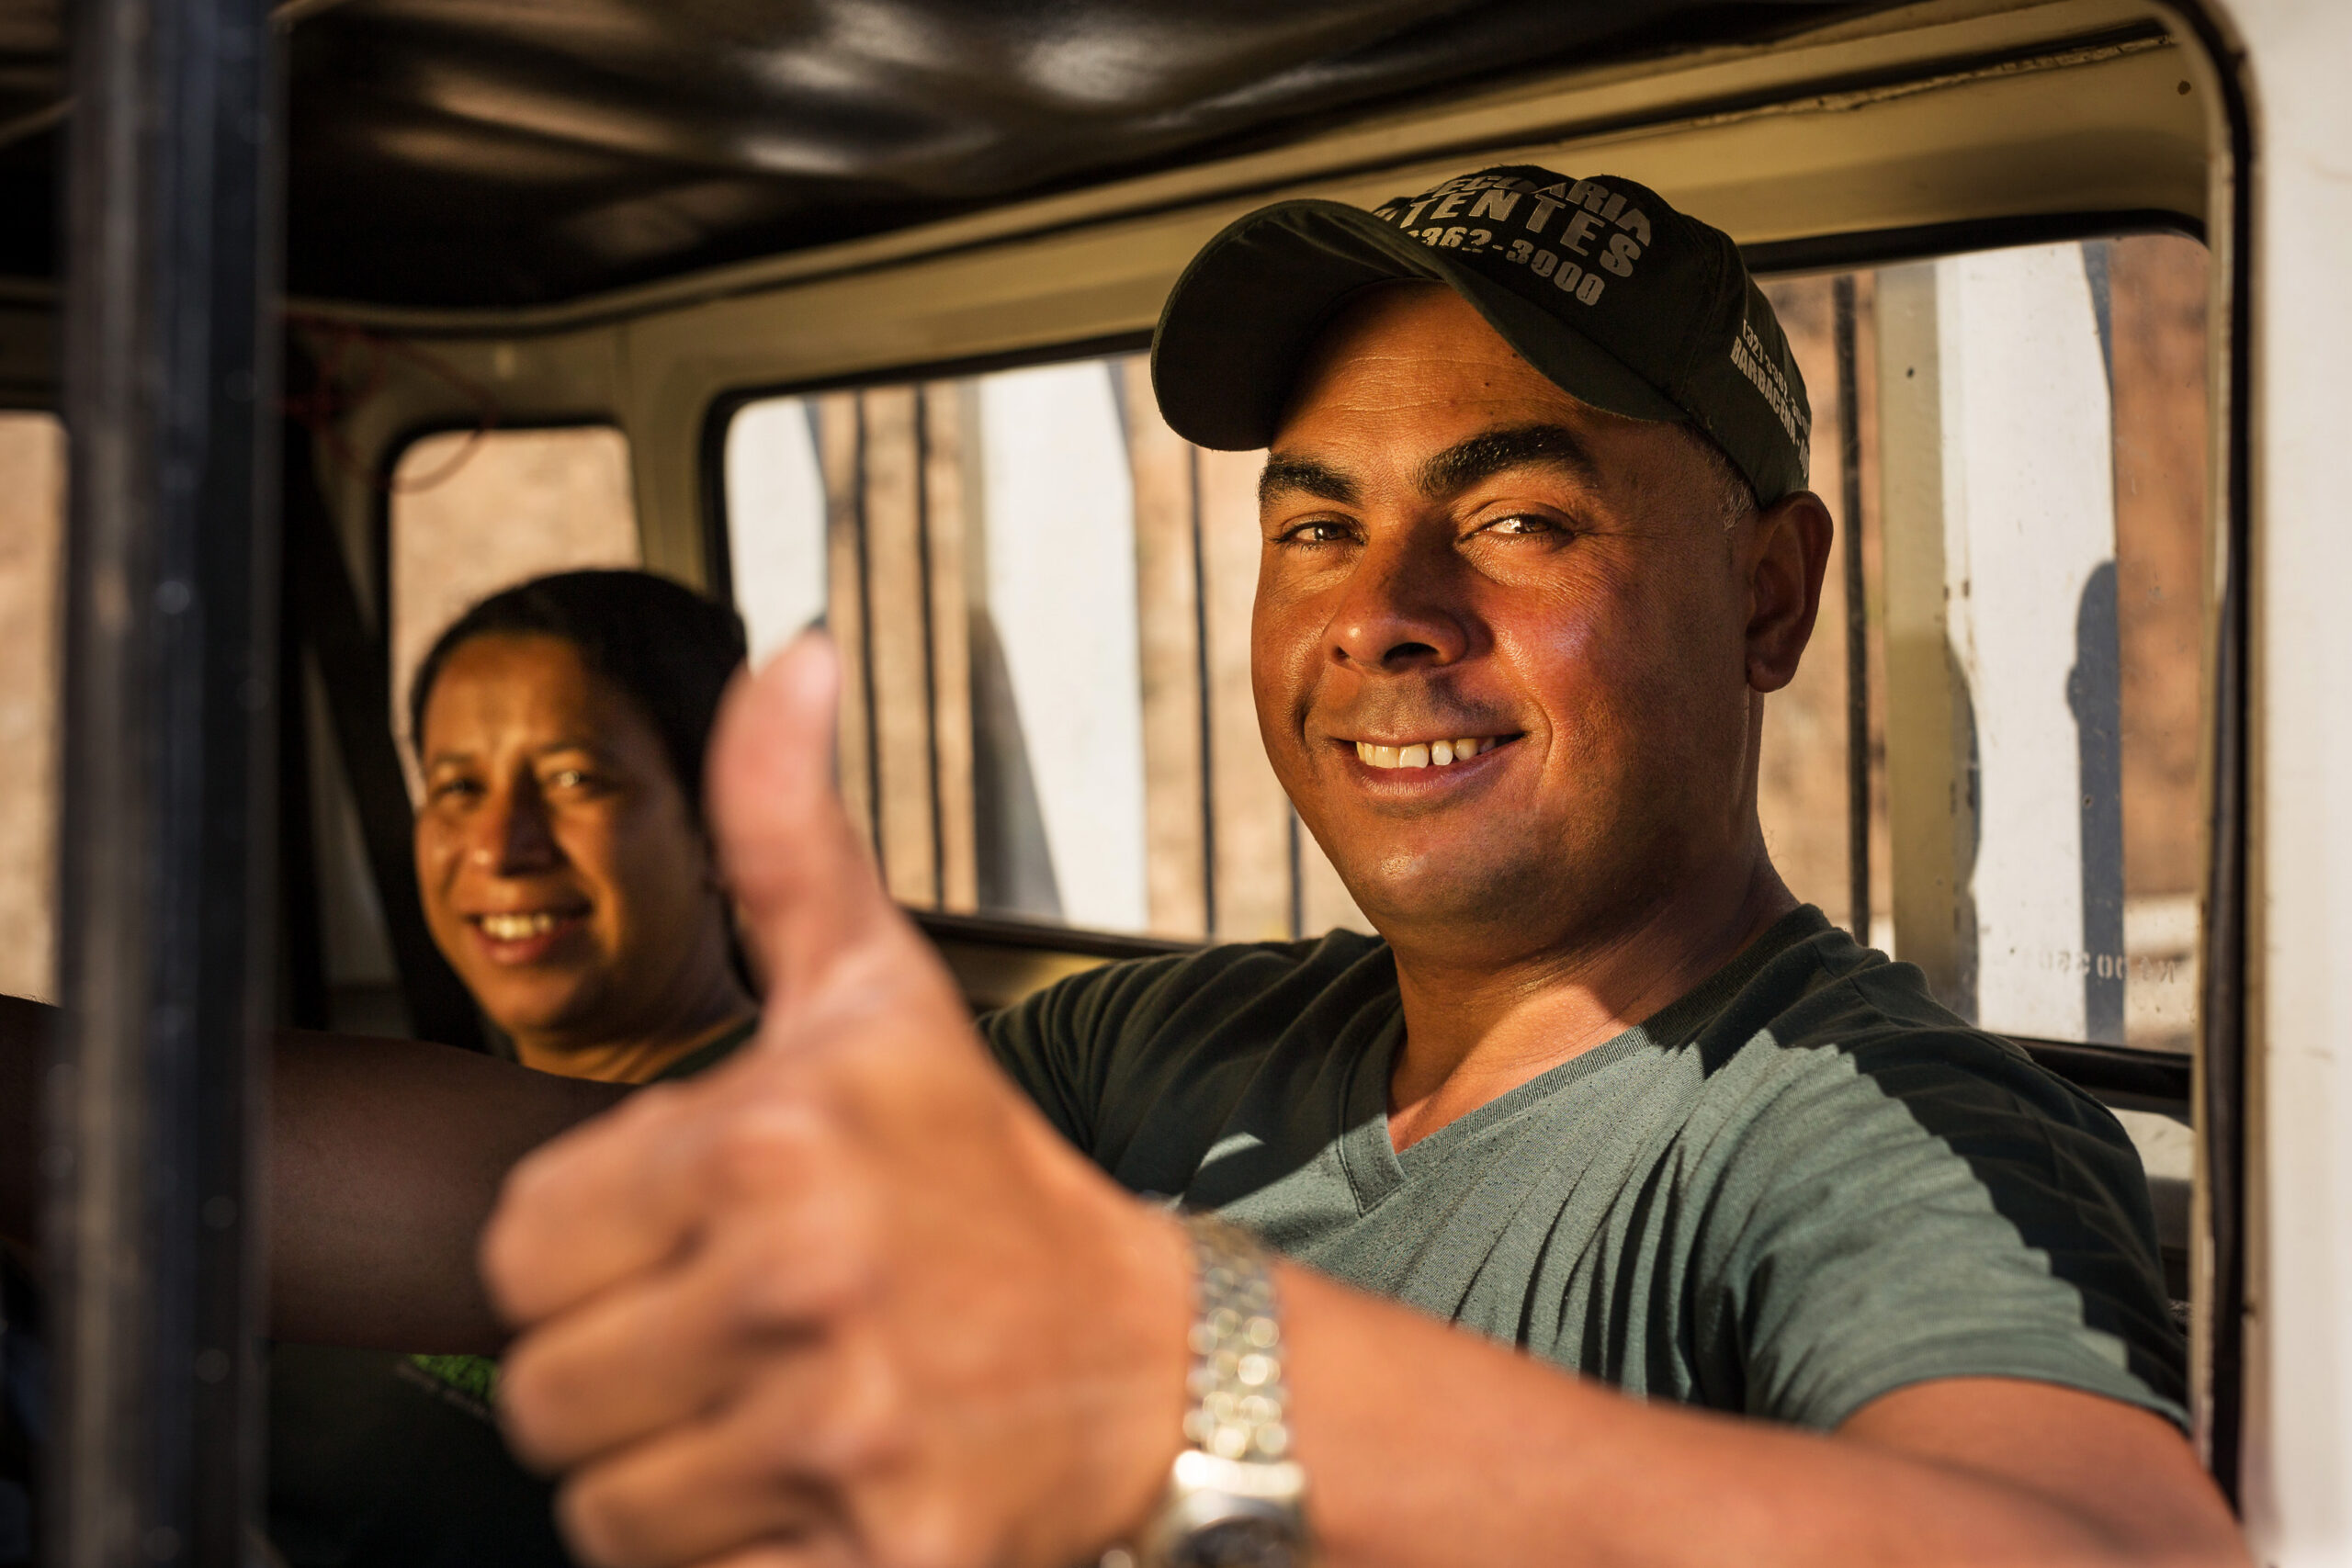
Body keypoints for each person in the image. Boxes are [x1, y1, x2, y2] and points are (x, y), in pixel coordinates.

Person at [0, 168, 2245, 1567]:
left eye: (1517, 515)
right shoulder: (1166, 1038)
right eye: (1310, 522)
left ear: (1765, 593)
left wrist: (1203, 1400)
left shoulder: (1859, 1133)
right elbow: (569, 1199)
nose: (1382, 604)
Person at [269, 570, 760, 1568]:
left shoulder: (792, 1142)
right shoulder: (403, 1114)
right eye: (457, 789)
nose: (500, 845)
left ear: (727, 827)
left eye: (577, 779)